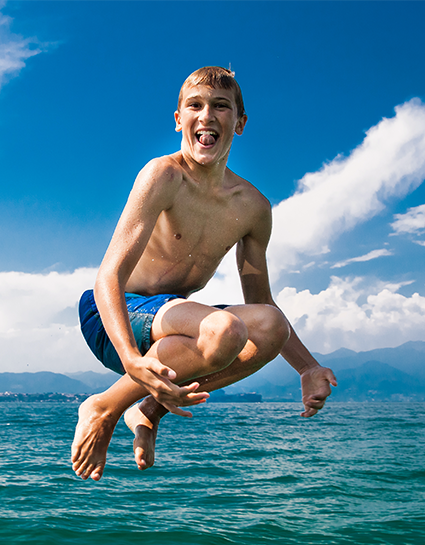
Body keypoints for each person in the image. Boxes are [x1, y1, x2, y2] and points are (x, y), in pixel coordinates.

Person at [71, 66, 338, 481]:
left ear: (240, 122)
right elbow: (108, 276)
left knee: (269, 326)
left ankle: (149, 408)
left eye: (220, 106)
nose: (207, 116)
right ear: (179, 119)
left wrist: (307, 367)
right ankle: (105, 405)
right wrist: (129, 359)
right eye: (194, 105)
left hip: (173, 323)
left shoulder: (253, 207)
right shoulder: (164, 175)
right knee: (224, 330)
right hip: (113, 315)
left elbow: (261, 303)